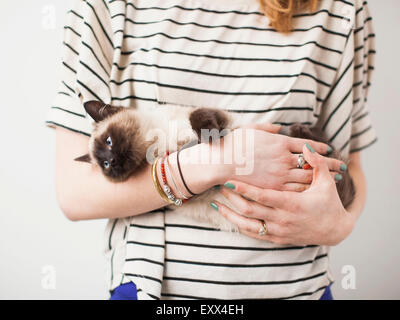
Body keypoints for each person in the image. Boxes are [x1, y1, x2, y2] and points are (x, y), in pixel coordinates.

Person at [46, 0, 376, 299]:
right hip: (157, 291)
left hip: (299, 286)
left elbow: (350, 167)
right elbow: (74, 193)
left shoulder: (341, 8)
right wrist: (218, 162)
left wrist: (340, 225)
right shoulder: (109, 5)